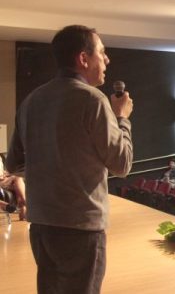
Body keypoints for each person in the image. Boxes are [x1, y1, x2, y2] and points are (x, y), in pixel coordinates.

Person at [6, 25, 133, 294]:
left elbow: (14, 164)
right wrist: (122, 118)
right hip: (81, 229)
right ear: (83, 59)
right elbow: (122, 165)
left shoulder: (31, 100)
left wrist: (51, 163)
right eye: (102, 52)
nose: (107, 59)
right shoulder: (94, 100)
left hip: (41, 225)